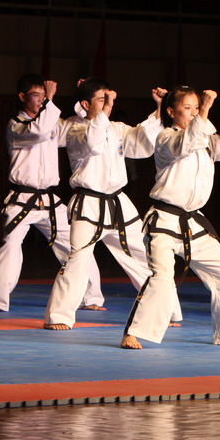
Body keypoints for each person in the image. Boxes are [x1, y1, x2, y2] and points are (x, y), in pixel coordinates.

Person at [121, 86, 220, 350]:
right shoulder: (166, 138)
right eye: (188, 108)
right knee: (162, 277)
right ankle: (133, 332)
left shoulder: (206, 140)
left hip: (193, 222)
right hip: (165, 220)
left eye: (197, 108)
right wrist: (205, 111)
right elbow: (187, 143)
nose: (194, 113)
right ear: (171, 112)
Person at [44, 79, 181, 330]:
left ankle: (165, 310)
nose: (107, 104)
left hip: (118, 202)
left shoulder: (116, 128)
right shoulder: (75, 129)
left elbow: (142, 144)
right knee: (78, 259)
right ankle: (59, 316)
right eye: (101, 99)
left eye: (109, 99)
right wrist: (105, 111)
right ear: (85, 104)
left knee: (143, 254)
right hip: (88, 203)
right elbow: (92, 143)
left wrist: (160, 107)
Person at [0, 73, 104, 313]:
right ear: (22, 97)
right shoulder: (17, 125)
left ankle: (90, 297)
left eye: (43, 96)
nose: (41, 100)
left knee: (77, 245)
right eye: (36, 95)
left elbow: (76, 125)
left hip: (49, 200)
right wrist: (51, 98)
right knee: (10, 245)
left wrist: (84, 95)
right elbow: (39, 131)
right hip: (22, 199)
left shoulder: (52, 123)